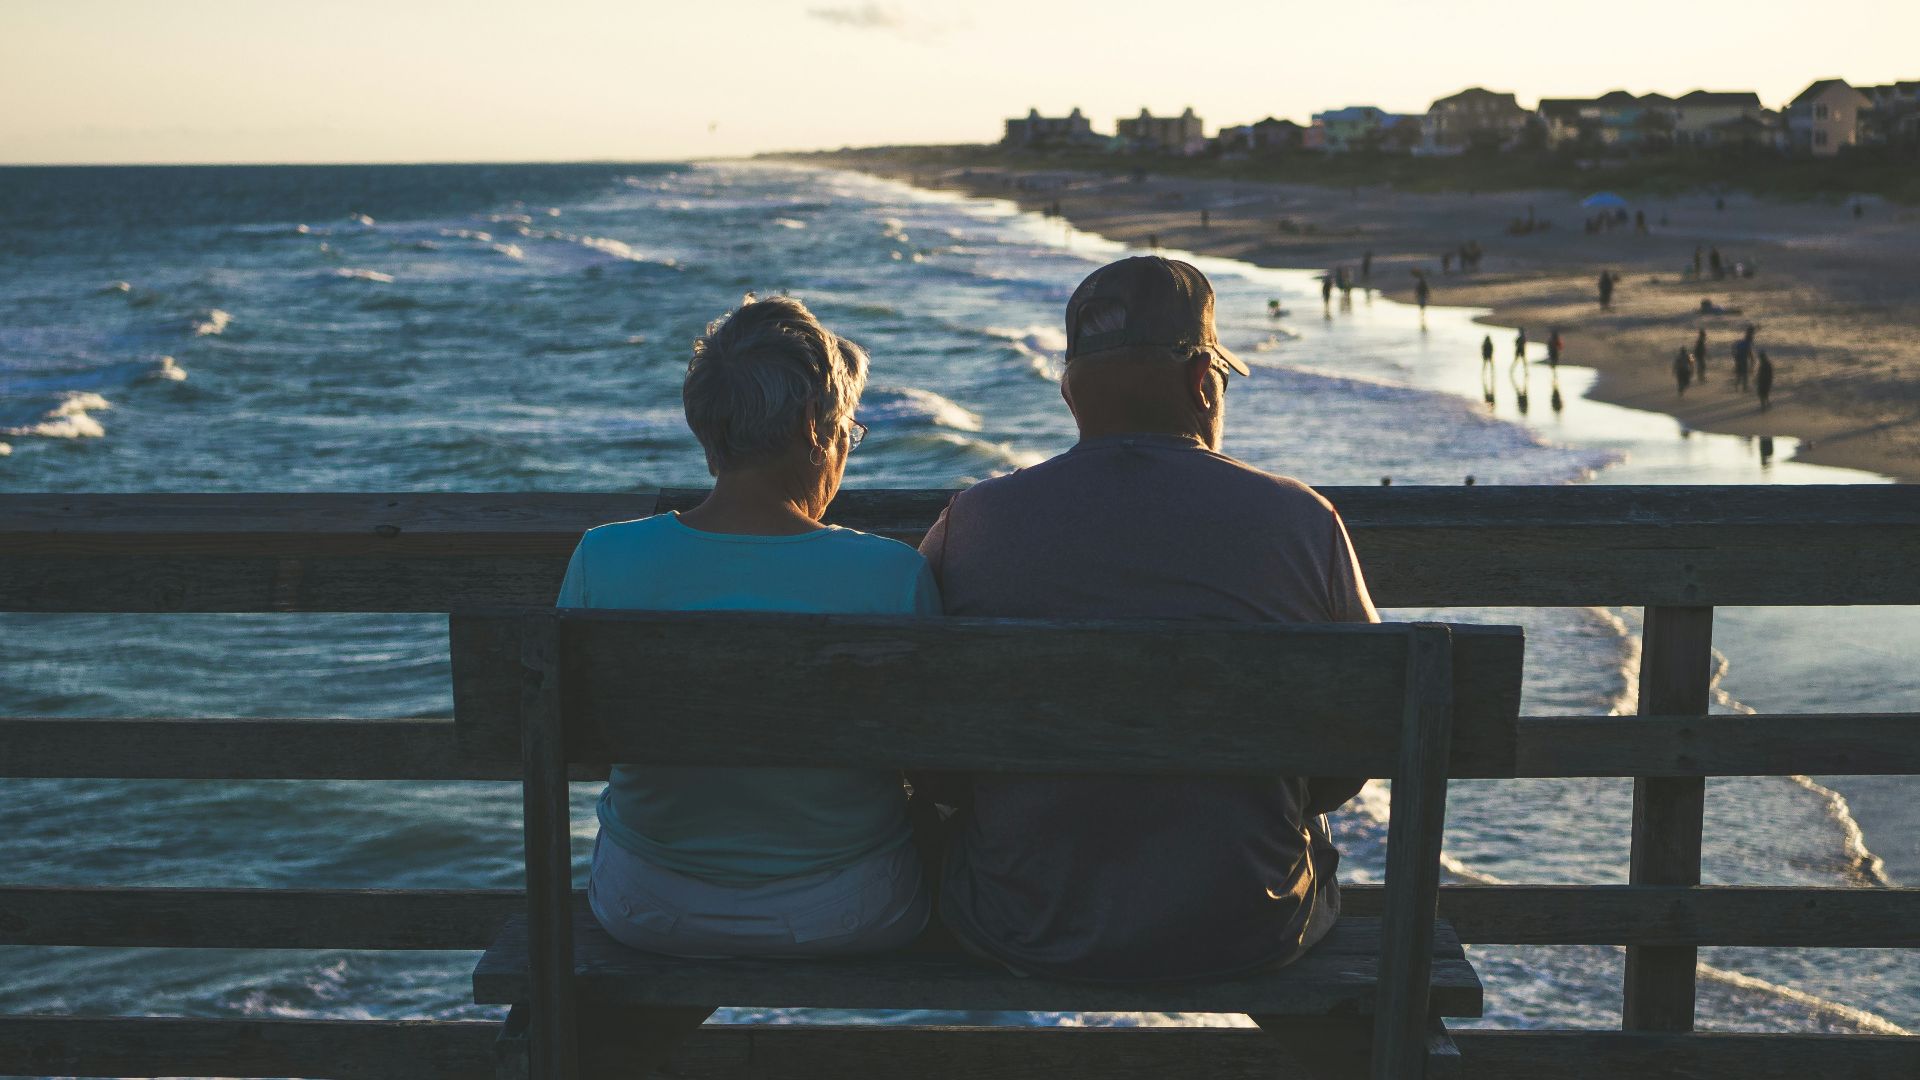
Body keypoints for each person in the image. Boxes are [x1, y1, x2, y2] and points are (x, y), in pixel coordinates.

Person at [919, 256, 1377, 982]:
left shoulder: (970, 522)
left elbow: (923, 739)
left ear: (1071, 395)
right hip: (1249, 926)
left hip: (1023, 923)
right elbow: (1364, 733)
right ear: (1203, 384)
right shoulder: (1302, 520)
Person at [561, 294, 936, 959]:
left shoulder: (602, 556)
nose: (846, 447)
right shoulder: (891, 575)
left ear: (709, 437)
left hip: (646, 905)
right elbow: (936, 766)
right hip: (849, 910)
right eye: (848, 428)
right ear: (812, 428)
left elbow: (579, 744)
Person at [1733, 325, 1756, 392]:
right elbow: (1748, 352)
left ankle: (1736, 387)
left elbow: (1736, 350)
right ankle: (1744, 388)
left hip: (1738, 359)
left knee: (1739, 374)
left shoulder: (1742, 342)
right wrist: (1752, 360)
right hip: (1743, 360)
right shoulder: (1747, 343)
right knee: (1744, 374)